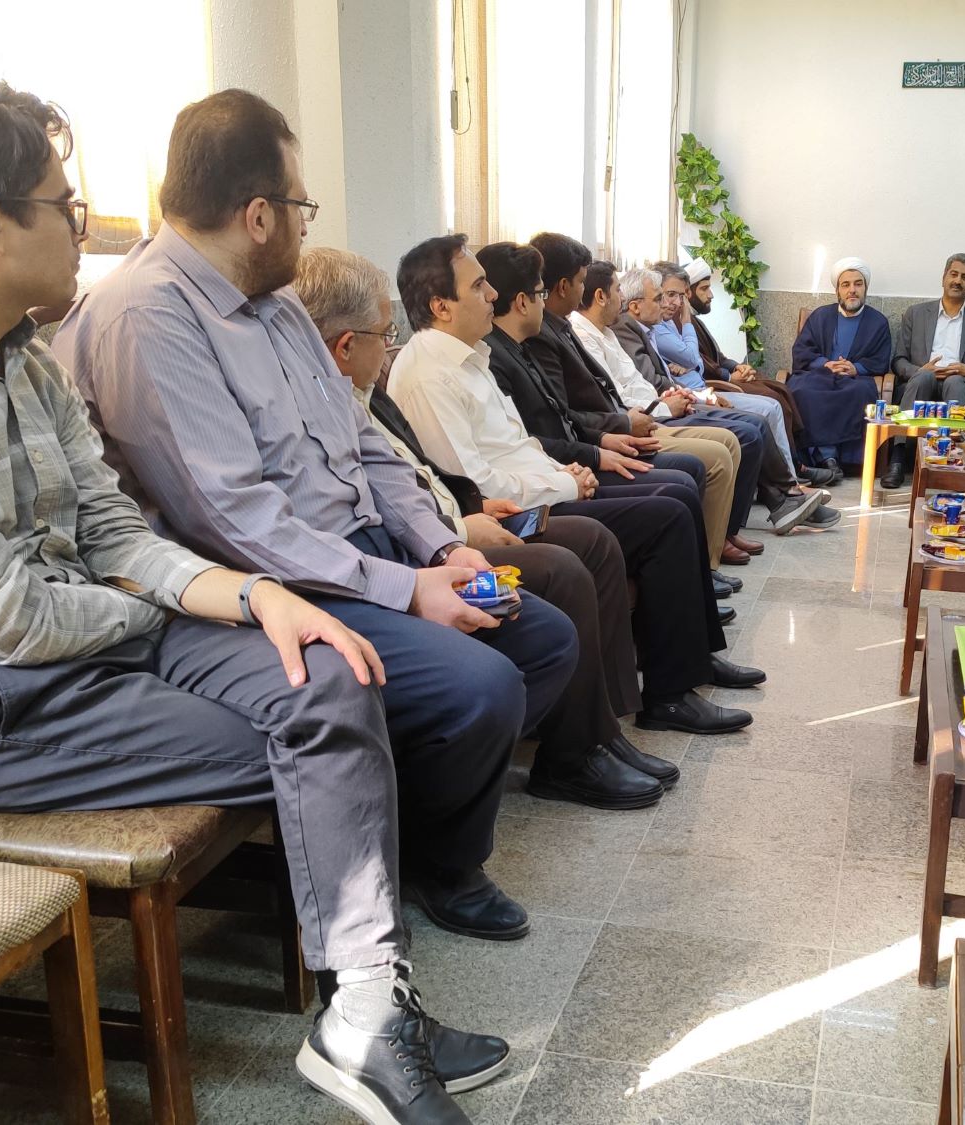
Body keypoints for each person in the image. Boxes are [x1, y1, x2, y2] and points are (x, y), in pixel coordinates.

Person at [0, 61, 502, 1124]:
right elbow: (6, 615)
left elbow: (114, 529)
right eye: (65, 208)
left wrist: (253, 598)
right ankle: (364, 1012)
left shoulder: (25, 355)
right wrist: (189, 599)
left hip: (99, 635)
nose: (82, 231)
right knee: (325, 732)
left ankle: (362, 1010)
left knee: (333, 674)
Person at [58, 90, 578, 955]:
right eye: (302, 206)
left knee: (543, 637)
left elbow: (365, 441)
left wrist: (438, 546)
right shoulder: (151, 314)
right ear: (258, 215)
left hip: (362, 553)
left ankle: (400, 829)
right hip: (279, 586)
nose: (307, 225)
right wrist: (405, 589)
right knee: (480, 688)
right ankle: (440, 864)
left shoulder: (277, 306)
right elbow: (229, 518)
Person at [294, 246, 674, 810]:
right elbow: (390, 497)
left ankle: (600, 733)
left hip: (450, 526)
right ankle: (576, 751)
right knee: (572, 559)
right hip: (393, 560)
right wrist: (461, 528)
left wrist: (460, 523)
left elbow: (418, 473)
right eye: (478, 286)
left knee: (629, 523)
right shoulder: (409, 375)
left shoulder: (369, 391)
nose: (493, 295)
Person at [387, 234, 764, 733]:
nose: (493, 294)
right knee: (666, 512)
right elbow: (477, 483)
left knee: (675, 494)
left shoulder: (469, 357)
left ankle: (691, 662)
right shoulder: (430, 375)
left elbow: (520, 443)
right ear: (441, 306)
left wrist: (566, 471)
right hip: (511, 514)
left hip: (545, 486)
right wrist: (567, 483)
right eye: (478, 286)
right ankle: (668, 695)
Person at [515, 232, 747, 577]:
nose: (622, 299)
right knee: (700, 467)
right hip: (602, 439)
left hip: (622, 425)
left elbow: (619, 390)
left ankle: (709, 558)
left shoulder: (571, 329)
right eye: (617, 290)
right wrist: (619, 432)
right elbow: (555, 423)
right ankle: (705, 565)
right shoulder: (548, 337)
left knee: (736, 434)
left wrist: (657, 405)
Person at [611, 265, 838, 532]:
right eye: (662, 297)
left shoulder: (645, 327)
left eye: (675, 296)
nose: (670, 303)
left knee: (770, 404)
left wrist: (724, 372)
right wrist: (697, 392)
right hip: (669, 408)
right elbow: (662, 378)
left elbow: (703, 360)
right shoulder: (628, 328)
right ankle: (782, 497)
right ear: (633, 306)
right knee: (753, 425)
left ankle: (786, 495)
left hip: (685, 397)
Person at [649, 261, 806, 491]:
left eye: (680, 296)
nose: (675, 302)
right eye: (669, 295)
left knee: (776, 395)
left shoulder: (671, 321)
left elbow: (706, 359)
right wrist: (725, 377)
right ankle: (786, 487)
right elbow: (693, 359)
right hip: (697, 393)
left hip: (703, 388)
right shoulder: (670, 322)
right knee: (763, 413)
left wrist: (736, 367)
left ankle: (792, 477)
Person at [683, 257, 816, 479]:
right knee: (771, 398)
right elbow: (698, 362)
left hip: (723, 377)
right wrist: (729, 376)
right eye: (704, 289)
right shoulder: (682, 323)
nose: (711, 295)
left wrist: (739, 366)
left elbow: (718, 357)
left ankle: (797, 461)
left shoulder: (694, 320)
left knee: (780, 388)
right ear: (689, 293)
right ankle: (789, 471)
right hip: (712, 385)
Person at [883, 253, 965, 487]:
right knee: (924, 378)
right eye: (953, 274)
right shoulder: (916, 313)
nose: (957, 281)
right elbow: (898, 360)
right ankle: (898, 460)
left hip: (960, 384)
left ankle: (957, 463)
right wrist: (920, 370)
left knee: (954, 382)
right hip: (920, 381)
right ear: (943, 277)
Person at [788, 257, 893, 483]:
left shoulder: (878, 322)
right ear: (837, 290)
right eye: (846, 285)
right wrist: (824, 363)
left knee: (859, 393)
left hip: (855, 379)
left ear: (865, 288)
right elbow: (801, 351)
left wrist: (856, 367)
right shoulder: (820, 316)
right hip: (818, 374)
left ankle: (837, 460)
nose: (852, 290)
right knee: (801, 391)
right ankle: (826, 458)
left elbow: (880, 360)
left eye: (858, 284)